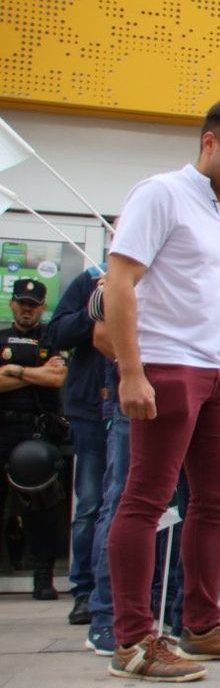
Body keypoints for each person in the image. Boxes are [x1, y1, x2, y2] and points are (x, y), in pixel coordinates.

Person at [103, 97, 220, 681]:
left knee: (217, 500)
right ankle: (131, 641)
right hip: (165, 363)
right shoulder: (160, 193)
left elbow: (219, 306)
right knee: (147, 500)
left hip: (217, 370)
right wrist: (132, 371)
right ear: (208, 142)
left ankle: (202, 626)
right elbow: (119, 283)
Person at [0, 279, 69, 601]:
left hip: (38, 430)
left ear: (42, 307)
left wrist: (13, 370)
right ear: (13, 304)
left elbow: (58, 377)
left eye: (33, 305)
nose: (27, 310)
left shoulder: (51, 338)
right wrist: (34, 373)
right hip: (4, 427)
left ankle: (43, 573)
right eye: (22, 303)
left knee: (42, 505)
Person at [46, 266, 107, 622]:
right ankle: (84, 590)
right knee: (90, 505)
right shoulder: (89, 279)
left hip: (139, 408)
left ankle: (126, 588)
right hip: (91, 409)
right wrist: (95, 305)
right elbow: (57, 334)